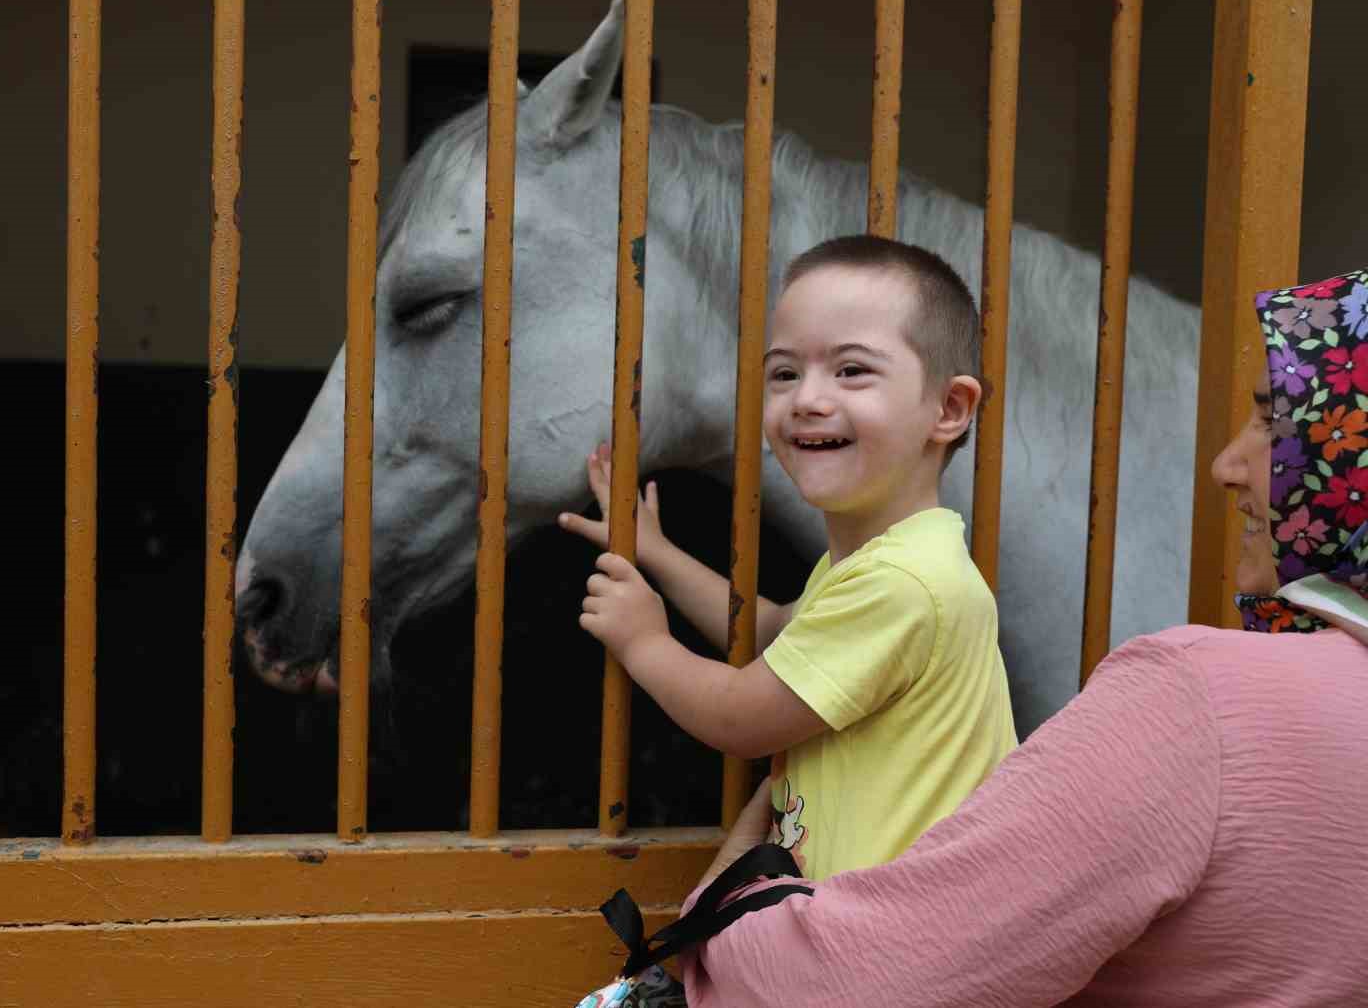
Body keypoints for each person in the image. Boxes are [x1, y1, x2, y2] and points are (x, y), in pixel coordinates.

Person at [678, 267, 1368, 1006]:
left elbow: (867, 983)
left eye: (1273, 421)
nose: (1225, 465)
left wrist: (726, 896)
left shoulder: (1199, 701)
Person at [562, 235, 1017, 879]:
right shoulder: (887, 559)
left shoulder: (905, 584)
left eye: (851, 369)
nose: (806, 397)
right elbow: (774, 631)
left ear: (948, 408)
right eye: (784, 372)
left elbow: (741, 717)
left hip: (882, 946)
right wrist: (658, 554)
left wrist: (644, 641)